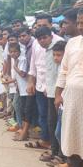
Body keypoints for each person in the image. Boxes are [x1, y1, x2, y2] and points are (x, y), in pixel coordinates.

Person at [26, 13, 63, 150]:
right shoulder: (37, 41)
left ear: (50, 25)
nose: (41, 28)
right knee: (43, 115)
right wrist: (31, 82)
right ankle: (45, 140)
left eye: (44, 26)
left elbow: (61, 69)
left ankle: (55, 148)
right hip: (39, 85)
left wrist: (54, 88)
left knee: (53, 119)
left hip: (54, 88)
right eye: (39, 26)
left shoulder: (59, 42)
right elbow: (33, 65)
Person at [55, 33, 83, 167]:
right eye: (79, 22)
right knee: (71, 138)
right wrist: (58, 94)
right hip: (72, 101)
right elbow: (64, 70)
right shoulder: (72, 42)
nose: (80, 26)